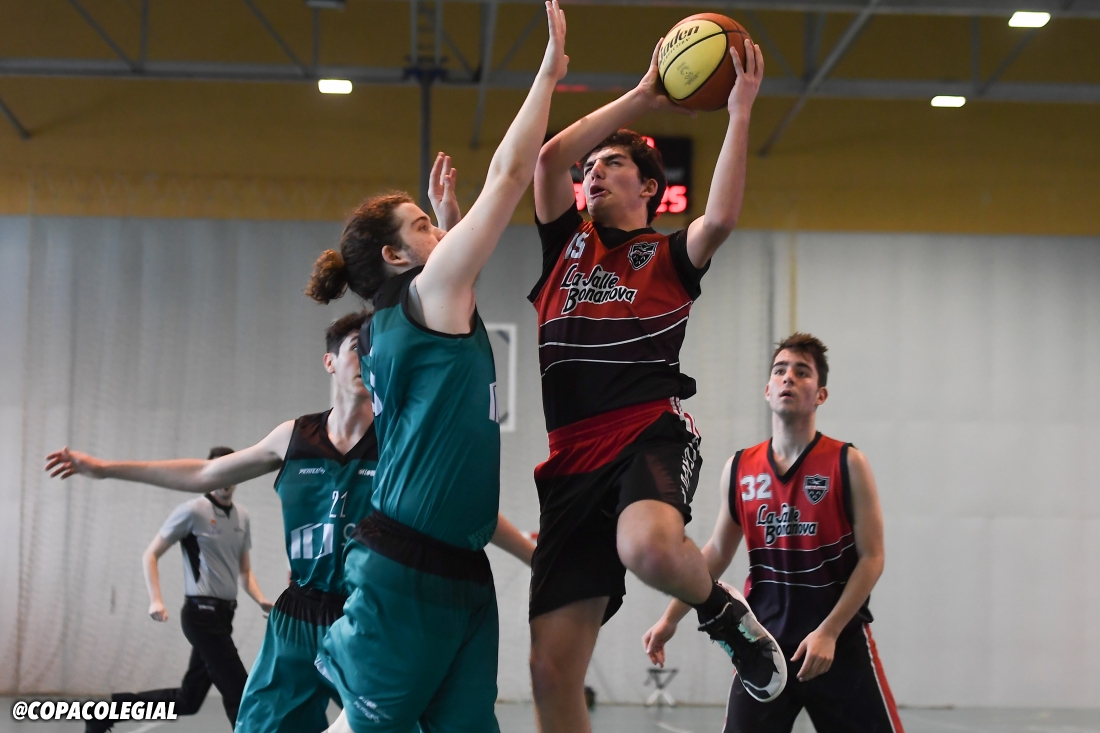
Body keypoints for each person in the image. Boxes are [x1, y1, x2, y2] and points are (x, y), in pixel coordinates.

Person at [46, 312, 534, 733]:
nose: (367, 358)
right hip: (299, 614)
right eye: (356, 348)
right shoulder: (294, 438)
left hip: (373, 614)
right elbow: (205, 473)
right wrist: (105, 468)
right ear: (329, 361)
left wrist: (535, 555)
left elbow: (462, 512)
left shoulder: (400, 441)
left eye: (376, 350)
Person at [301, 4, 568, 732]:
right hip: (406, 572)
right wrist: (548, 72)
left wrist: (443, 223)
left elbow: (449, 285)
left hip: (460, 571)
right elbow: (509, 175)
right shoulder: (423, 298)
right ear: (396, 256)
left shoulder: (422, 311)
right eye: (421, 225)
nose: (438, 228)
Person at [527, 28, 782, 732]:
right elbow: (548, 158)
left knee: (644, 546)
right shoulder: (564, 247)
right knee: (549, 673)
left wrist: (739, 112)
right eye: (590, 167)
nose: (593, 173)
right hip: (568, 460)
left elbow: (721, 217)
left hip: (645, 431)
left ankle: (722, 613)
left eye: (611, 164)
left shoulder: (668, 258)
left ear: (648, 187)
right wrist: (643, 93)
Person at [643, 334, 904, 733]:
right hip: (764, 645)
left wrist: (829, 631)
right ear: (767, 390)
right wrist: (670, 618)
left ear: (820, 394)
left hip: (838, 644)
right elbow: (715, 553)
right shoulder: (740, 468)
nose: (788, 378)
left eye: (802, 372)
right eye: (780, 371)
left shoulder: (848, 463)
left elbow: (873, 558)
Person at [57, 445, 270, 733]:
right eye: (219, 472)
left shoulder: (242, 516)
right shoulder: (193, 511)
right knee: (240, 691)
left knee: (189, 699)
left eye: (231, 471)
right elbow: (151, 554)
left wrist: (260, 599)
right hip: (201, 616)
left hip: (223, 616)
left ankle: (105, 711)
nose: (225, 479)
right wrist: (155, 599)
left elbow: (244, 571)